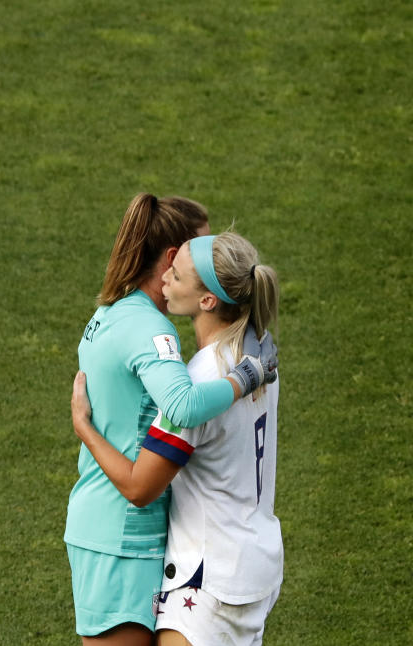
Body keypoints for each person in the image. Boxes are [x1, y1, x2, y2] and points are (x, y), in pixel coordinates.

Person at [66, 196, 277, 646]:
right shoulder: (250, 357)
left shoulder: (110, 314)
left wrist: (85, 429)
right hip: (126, 537)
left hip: (171, 551)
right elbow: (179, 411)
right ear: (170, 261)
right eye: (198, 249)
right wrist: (244, 378)